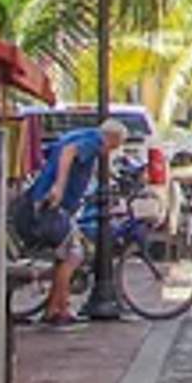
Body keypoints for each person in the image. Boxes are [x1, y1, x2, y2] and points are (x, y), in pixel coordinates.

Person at [21, 115, 127, 326]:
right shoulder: (94, 141)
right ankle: (60, 309)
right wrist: (59, 187)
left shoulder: (83, 135)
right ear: (112, 138)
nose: (111, 152)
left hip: (50, 203)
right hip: (53, 205)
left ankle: (54, 307)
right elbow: (69, 153)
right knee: (73, 255)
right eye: (115, 146)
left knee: (66, 254)